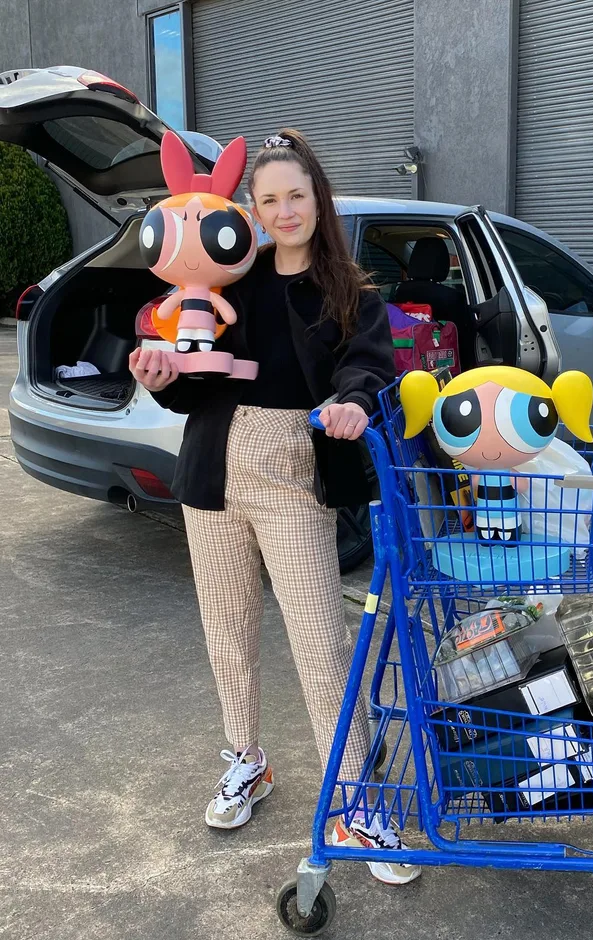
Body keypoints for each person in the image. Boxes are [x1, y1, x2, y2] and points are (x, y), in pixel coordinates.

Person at [129, 128, 420, 885]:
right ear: (250, 210)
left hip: (296, 474)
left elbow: (366, 368)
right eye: (269, 200)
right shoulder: (230, 277)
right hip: (212, 472)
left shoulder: (354, 293)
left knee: (321, 641)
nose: (284, 210)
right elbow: (196, 379)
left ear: (318, 199)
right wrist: (161, 372)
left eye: (297, 195)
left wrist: (355, 403)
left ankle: (352, 796)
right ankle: (246, 761)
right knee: (227, 634)